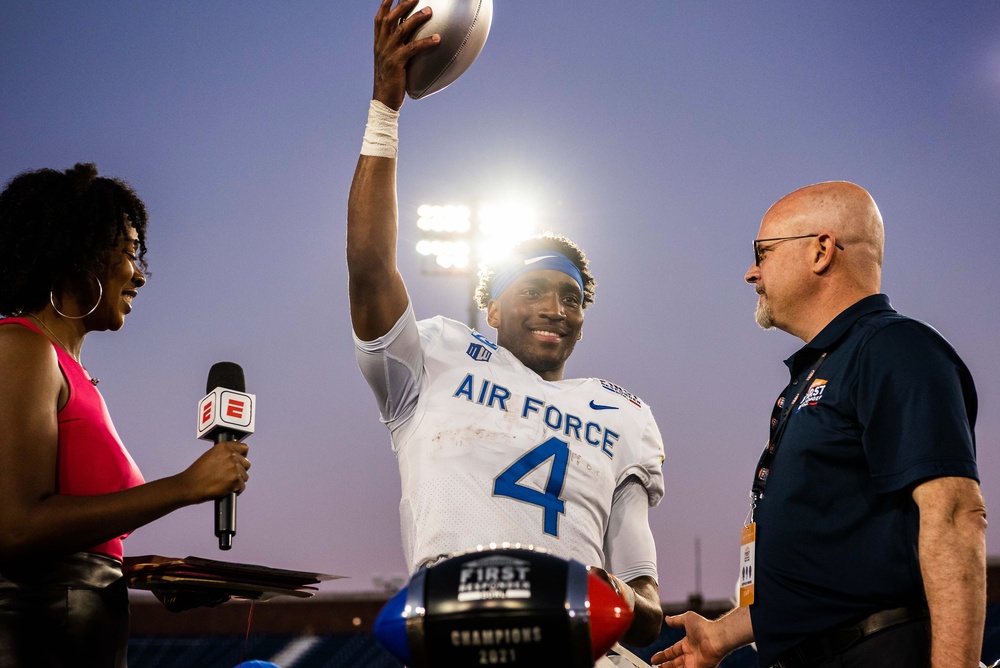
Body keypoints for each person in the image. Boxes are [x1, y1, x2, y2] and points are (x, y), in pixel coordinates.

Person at [346, 0, 666, 648]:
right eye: (535, 291)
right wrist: (385, 109)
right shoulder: (434, 357)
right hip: (455, 645)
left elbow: (648, 604)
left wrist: (594, 597)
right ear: (490, 308)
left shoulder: (621, 413)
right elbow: (370, 268)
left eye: (572, 298)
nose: (557, 308)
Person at [651, 181, 986, 668]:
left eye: (762, 252)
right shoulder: (823, 368)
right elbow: (832, 568)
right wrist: (720, 637)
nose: (750, 273)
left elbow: (956, 515)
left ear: (821, 251)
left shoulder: (894, 349)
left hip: (877, 652)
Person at [0, 163, 252, 667]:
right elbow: (16, 526)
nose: (140, 274)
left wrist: (137, 573)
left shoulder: (69, 370)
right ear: (78, 252)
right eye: (132, 251)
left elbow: (63, 547)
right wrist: (183, 487)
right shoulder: (19, 348)